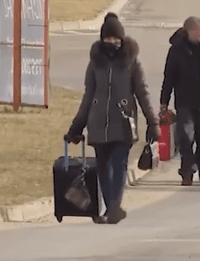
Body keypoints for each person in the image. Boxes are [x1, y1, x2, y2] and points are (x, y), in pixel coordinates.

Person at [65, 13, 159, 224]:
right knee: (102, 167)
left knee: (118, 164)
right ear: (102, 39)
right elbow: (88, 96)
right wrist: (76, 127)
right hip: (97, 123)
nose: (111, 43)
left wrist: (152, 122)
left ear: (122, 39)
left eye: (115, 39)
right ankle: (111, 208)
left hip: (123, 122)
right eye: (107, 39)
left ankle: (114, 205)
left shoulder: (131, 62)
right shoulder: (95, 63)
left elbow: (142, 92)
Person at [160, 16, 200, 186]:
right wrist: (164, 101)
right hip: (185, 101)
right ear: (190, 31)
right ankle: (187, 170)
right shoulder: (177, 50)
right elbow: (168, 77)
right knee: (185, 136)